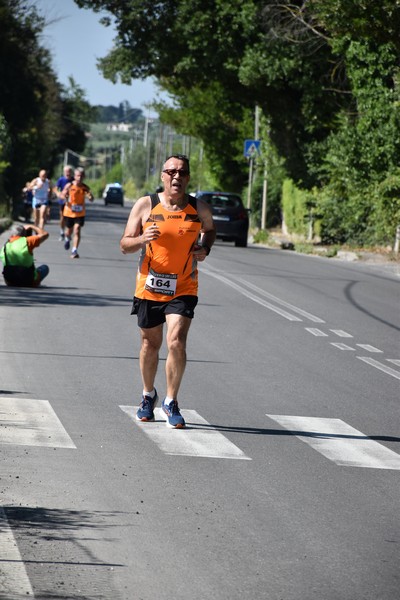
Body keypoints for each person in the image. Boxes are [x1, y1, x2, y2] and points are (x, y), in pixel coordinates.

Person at [120, 154, 216, 428]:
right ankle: (148, 394)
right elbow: (124, 244)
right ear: (162, 175)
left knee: (176, 341)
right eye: (171, 171)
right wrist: (141, 238)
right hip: (149, 286)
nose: (177, 176)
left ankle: (171, 401)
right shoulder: (145, 205)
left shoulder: (199, 208)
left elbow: (210, 230)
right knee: (150, 344)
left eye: (182, 172)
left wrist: (205, 248)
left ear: (188, 178)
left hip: (184, 286)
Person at [61, 167, 94, 259]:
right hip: (69, 212)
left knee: (77, 229)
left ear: (84, 177)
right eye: (78, 175)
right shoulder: (69, 185)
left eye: (81, 176)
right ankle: (67, 238)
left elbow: (91, 198)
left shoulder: (85, 187)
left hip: (80, 213)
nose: (79, 178)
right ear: (74, 176)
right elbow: (62, 195)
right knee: (68, 231)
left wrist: (90, 197)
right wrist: (65, 196)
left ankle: (74, 250)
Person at [53, 165, 73, 241]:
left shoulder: (74, 180)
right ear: (64, 172)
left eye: (69, 171)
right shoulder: (61, 179)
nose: (68, 173)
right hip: (62, 201)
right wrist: (58, 193)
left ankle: (68, 233)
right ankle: (62, 232)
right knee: (62, 217)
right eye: (66, 171)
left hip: (71, 202)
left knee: (71, 218)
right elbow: (55, 188)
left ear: (71, 172)